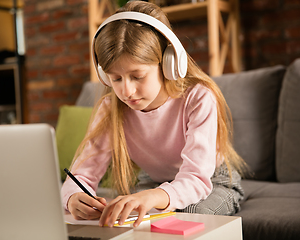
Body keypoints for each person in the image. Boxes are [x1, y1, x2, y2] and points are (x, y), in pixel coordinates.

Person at [61, 0, 247, 228]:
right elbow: (81, 175)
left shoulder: (198, 98)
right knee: (127, 218)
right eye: (115, 79)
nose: (126, 91)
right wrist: (73, 198)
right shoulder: (111, 109)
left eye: (137, 76)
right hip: (153, 181)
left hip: (212, 180)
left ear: (168, 63)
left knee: (189, 214)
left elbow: (196, 178)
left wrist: (151, 198)